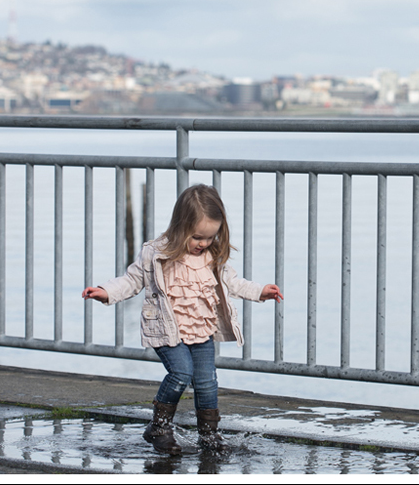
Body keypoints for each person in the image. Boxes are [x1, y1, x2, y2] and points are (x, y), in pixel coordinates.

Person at [82, 183, 283, 455]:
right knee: (180, 374)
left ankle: (209, 435)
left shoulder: (212, 256)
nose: (203, 244)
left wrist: (260, 291)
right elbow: (132, 280)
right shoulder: (156, 253)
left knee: (207, 382)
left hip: (201, 329)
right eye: (198, 237)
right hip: (167, 330)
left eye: (210, 237)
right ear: (180, 226)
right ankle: (159, 427)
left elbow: (232, 283)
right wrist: (106, 292)